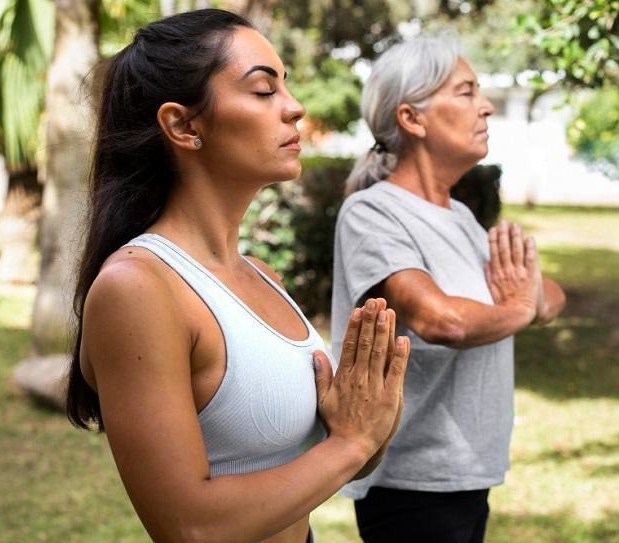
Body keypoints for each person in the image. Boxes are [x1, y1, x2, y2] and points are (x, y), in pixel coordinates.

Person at [65, 9, 411, 542]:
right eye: (262, 90)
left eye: (286, 89)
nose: (294, 109)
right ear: (183, 125)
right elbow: (189, 528)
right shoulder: (136, 288)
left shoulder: (260, 275)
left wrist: (364, 426)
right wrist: (351, 445)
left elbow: (326, 465)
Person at [331, 34, 566, 543]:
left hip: (468, 473)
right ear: (412, 118)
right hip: (411, 484)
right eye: (465, 92)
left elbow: (549, 293)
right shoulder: (373, 213)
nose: (484, 107)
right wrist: (523, 308)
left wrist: (524, 300)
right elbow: (444, 320)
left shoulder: (459, 217)